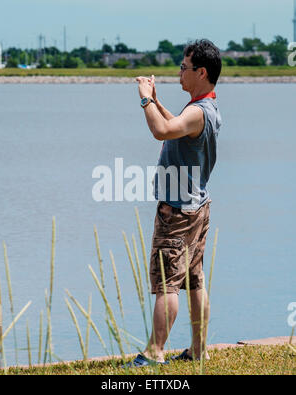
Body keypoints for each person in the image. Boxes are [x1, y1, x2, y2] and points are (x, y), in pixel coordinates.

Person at [126, 39, 222, 367]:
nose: (179, 72)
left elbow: (162, 130)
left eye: (184, 68)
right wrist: (155, 100)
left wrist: (143, 101)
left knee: (167, 284)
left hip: (178, 212)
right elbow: (176, 128)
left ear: (202, 72)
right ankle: (199, 349)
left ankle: (155, 352)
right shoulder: (207, 109)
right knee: (194, 279)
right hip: (198, 207)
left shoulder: (197, 112)